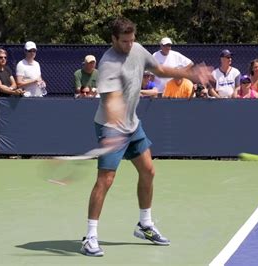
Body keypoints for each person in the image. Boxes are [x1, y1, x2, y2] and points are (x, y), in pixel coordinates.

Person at [81, 17, 212, 257]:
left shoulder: (138, 49)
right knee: (106, 180)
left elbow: (160, 69)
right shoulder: (108, 63)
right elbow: (110, 102)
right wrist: (114, 133)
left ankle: (145, 224)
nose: (129, 45)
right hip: (110, 126)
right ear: (113, 39)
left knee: (148, 171)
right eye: (124, 41)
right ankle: (90, 237)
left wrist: (191, 74)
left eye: (132, 40)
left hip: (132, 125)